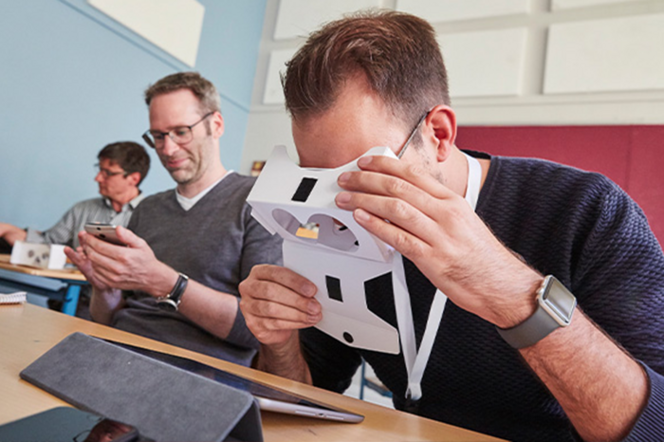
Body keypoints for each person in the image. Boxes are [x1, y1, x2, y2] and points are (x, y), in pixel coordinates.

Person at [238, 11, 664, 442]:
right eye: (317, 177)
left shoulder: (588, 212)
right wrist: (279, 341)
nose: (340, 201)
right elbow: (311, 398)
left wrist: (512, 294)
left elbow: (655, 425)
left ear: (438, 134)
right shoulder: (341, 226)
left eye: (360, 172)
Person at [65, 72, 282, 365]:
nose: (167, 149)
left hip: (195, 373)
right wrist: (106, 290)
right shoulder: (148, 209)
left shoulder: (259, 202)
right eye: (158, 136)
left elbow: (258, 330)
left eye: (181, 131)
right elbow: (107, 318)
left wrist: (167, 282)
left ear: (215, 125)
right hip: (117, 352)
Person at [0, 141, 149, 250]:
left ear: (133, 179)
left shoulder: (154, 216)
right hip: (80, 292)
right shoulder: (82, 209)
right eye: (99, 170)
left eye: (107, 173)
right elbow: (47, 245)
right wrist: (8, 230)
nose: (98, 178)